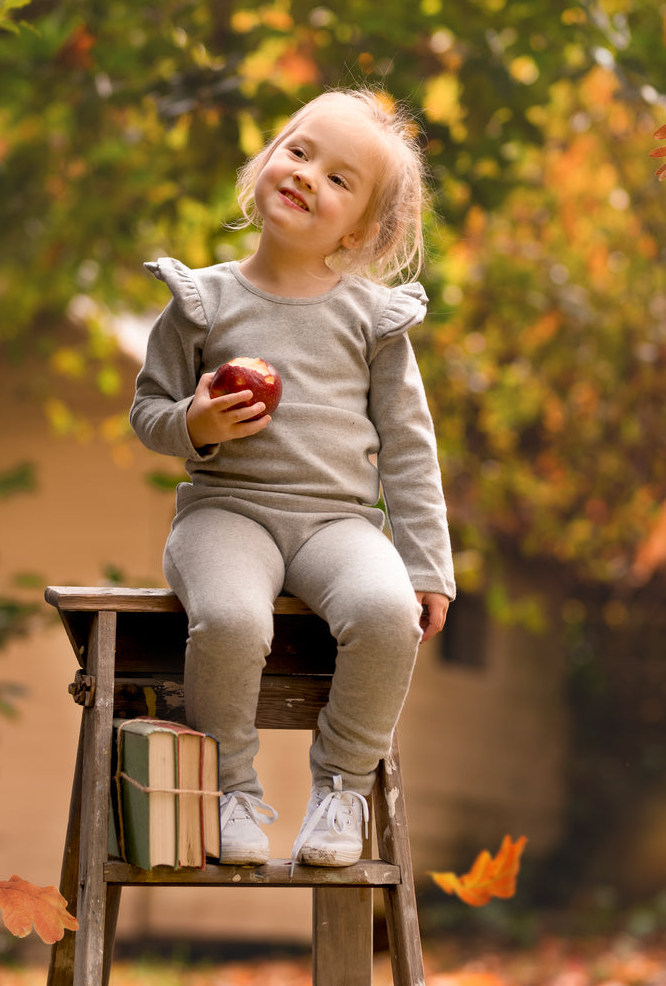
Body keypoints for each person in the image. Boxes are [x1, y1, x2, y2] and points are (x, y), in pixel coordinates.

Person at [129, 87, 455, 868]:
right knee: (234, 621)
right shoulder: (201, 302)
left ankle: (341, 787)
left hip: (337, 523)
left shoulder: (371, 321)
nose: (309, 176)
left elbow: (409, 448)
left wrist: (426, 565)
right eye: (300, 152)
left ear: (364, 230)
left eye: (340, 179)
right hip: (225, 513)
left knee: (384, 614)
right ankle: (230, 790)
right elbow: (148, 412)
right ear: (267, 160)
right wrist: (194, 425)